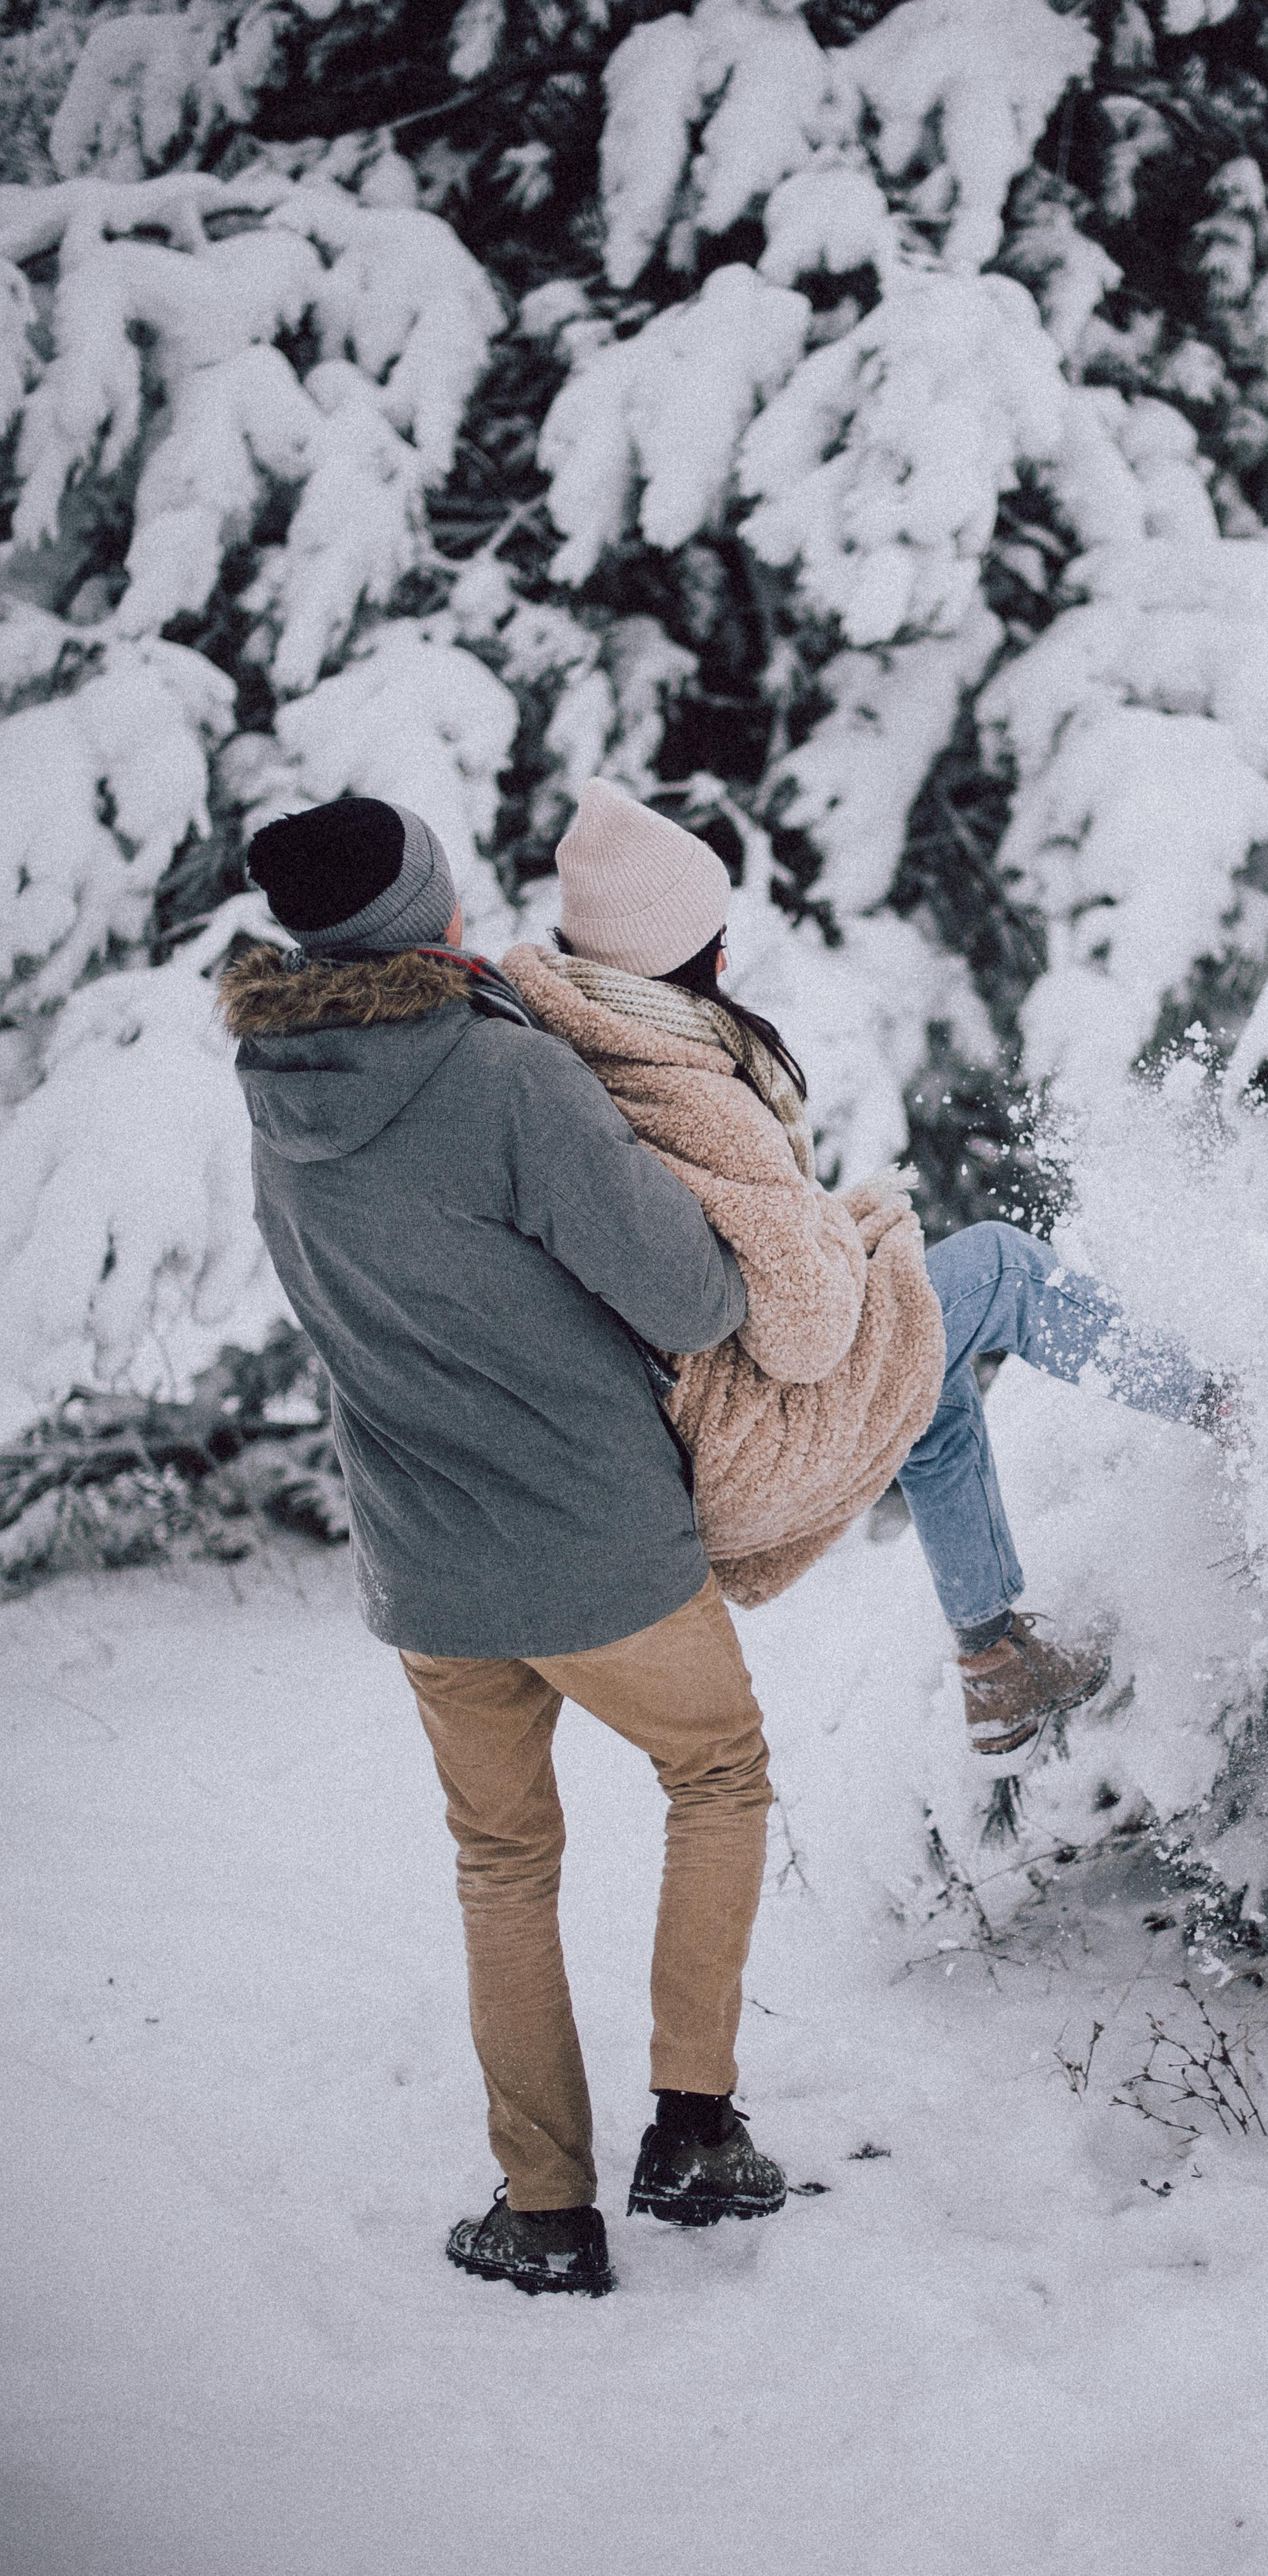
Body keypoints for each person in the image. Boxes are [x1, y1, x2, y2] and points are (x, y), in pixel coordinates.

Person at [224, 792, 787, 2303]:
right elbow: (693, 1299)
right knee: (717, 1771)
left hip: (428, 1565)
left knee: (501, 1865)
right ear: (429, 910)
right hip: (595, 1539)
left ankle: (544, 2213)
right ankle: (692, 2126)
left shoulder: (274, 1084)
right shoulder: (504, 1078)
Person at [504, 782, 1224, 1765]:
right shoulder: (681, 1086)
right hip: (742, 1438)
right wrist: (861, 1230)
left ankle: (997, 1659)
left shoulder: (573, 1046)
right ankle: (1233, 1410)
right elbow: (805, 1328)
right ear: (671, 953)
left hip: (683, 1438)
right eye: (712, 935)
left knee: (919, 1360)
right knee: (997, 1270)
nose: (726, 954)